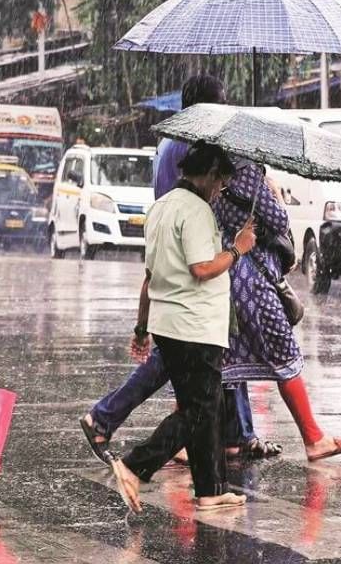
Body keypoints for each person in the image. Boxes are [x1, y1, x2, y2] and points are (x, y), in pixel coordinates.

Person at [81, 74, 279, 462]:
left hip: (169, 240)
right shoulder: (195, 145)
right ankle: (115, 427)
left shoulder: (171, 139)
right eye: (221, 102)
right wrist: (238, 247)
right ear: (207, 105)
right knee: (184, 357)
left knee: (206, 351)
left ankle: (236, 434)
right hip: (191, 247)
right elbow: (204, 262)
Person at [109, 143, 255, 512]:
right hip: (195, 325)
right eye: (220, 182)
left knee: (205, 407)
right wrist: (238, 249)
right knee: (199, 411)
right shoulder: (196, 210)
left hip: (168, 323)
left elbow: (150, 273)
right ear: (208, 175)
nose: (220, 190)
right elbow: (202, 268)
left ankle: (210, 490)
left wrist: (142, 327)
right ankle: (134, 464)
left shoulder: (162, 206)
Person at [215, 160, 341, 462]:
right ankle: (313, 438)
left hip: (229, 276)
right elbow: (280, 222)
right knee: (284, 353)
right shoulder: (247, 173)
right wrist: (275, 191)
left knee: (228, 360)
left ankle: (230, 438)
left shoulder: (214, 176)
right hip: (256, 279)